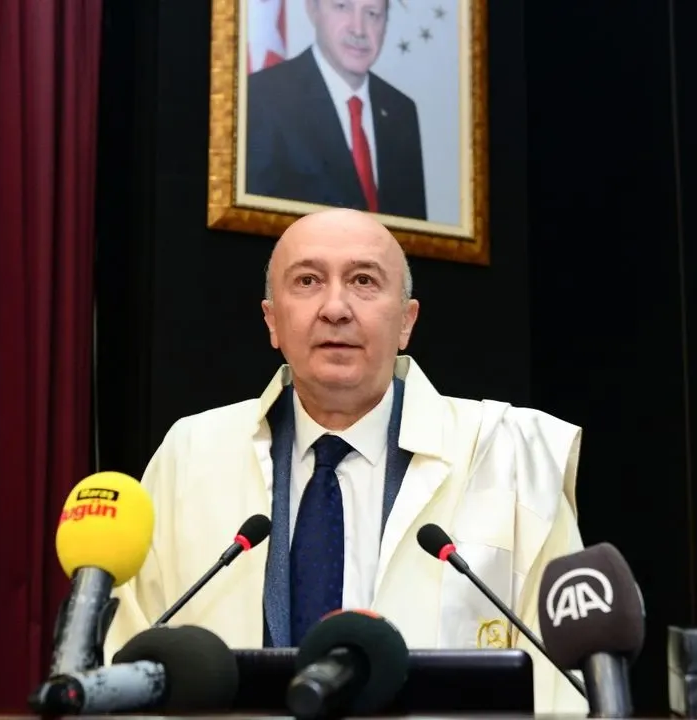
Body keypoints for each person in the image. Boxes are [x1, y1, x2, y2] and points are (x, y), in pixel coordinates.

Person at [104, 209, 587, 713]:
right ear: (272, 321)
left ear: (406, 321)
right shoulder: (192, 454)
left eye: (363, 281)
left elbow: (560, 686)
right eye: (307, 281)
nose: (335, 308)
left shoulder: (511, 456)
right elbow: (131, 659)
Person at [245, 0, 427, 221]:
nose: (358, 29)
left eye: (372, 14)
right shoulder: (263, 97)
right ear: (313, 9)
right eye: (342, 7)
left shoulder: (401, 111)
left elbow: (412, 234)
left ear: (386, 22)